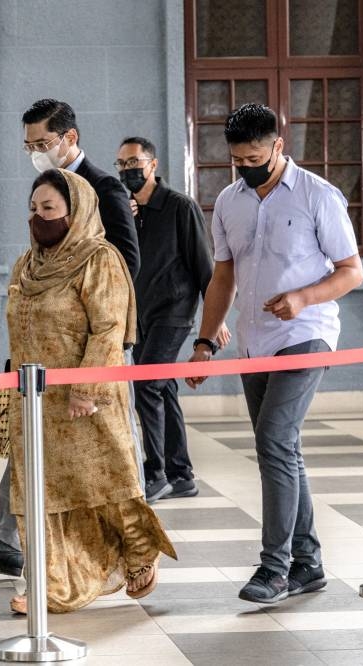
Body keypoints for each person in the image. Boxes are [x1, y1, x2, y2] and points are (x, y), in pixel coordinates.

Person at [0, 99, 144, 577]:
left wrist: (88, 354)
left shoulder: (103, 188)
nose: (35, 152)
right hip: (40, 362)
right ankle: (8, 541)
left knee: (110, 454)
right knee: (26, 449)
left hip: (89, 353)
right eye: (29, 145)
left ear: (69, 138)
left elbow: (125, 263)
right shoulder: (42, 205)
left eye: (42, 143)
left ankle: (135, 547)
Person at [186, 105, 363, 604]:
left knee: (274, 439)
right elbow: (223, 276)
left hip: (307, 333)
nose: (246, 167)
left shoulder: (317, 196)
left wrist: (304, 298)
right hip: (254, 340)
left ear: (277, 146)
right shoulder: (228, 201)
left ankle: (275, 569)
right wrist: (204, 342)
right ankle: (308, 563)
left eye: (255, 158)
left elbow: (352, 271)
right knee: (281, 448)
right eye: (238, 160)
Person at [7, 168, 175, 613]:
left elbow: (108, 329)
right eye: (33, 208)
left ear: (76, 211)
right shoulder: (27, 265)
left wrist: (86, 389)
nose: (38, 217)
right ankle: (51, 582)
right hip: (36, 401)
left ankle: (139, 550)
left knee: (105, 485)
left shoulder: (99, 259)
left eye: (49, 208)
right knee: (42, 493)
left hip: (86, 400)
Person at [115, 137, 230, 504]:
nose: (128, 170)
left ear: (153, 164)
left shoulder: (180, 206)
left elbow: (204, 264)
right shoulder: (126, 210)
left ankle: (156, 473)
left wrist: (215, 319)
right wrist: (124, 220)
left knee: (146, 384)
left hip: (174, 312)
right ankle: (181, 474)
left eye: (134, 162)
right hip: (140, 316)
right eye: (121, 164)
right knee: (162, 388)